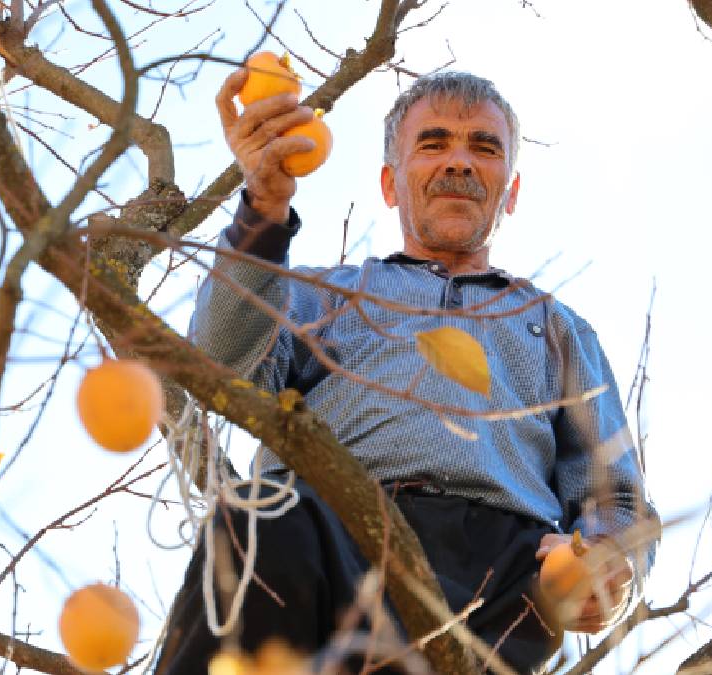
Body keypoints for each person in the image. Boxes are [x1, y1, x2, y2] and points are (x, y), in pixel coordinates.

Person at [155, 70, 659, 675]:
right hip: (328, 535)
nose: (460, 163)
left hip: (502, 574)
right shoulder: (323, 296)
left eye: (484, 147)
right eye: (434, 142)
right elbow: (220, 364)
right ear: (391, 185)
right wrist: (262, 207)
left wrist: (607, 562)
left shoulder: (557, 329)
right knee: (253, 523)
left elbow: (616, 493)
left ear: (512, 190)